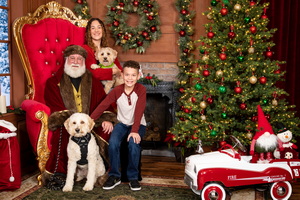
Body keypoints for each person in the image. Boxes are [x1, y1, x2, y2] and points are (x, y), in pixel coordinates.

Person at [43, 45, 117, 189]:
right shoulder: (53, 82)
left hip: (90, 121)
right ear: (66, 60)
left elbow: (103, 102)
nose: (76, 61)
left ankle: (105, 173)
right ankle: (59, 175)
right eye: (72, 58)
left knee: (106, 131)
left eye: (79, 59)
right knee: (62, 135)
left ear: (84, 62)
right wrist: (72, 122)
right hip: (69, 123)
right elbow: (55, 106)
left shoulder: (92, 80)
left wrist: (107, 118)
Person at [90, 60, 147, 191]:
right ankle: (114, 175)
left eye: (133, 75)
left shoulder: (141, 90)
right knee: (114, 142)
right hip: (121, 124)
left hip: (138, 125)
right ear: (122, 75)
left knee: (133, 143)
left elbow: (139, 110)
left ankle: (133, 177)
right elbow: (103, 105)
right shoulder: (117, 90)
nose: (130, 78)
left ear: (138, 76)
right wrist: (90, 119)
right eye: (127, 75)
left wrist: (134, 131)